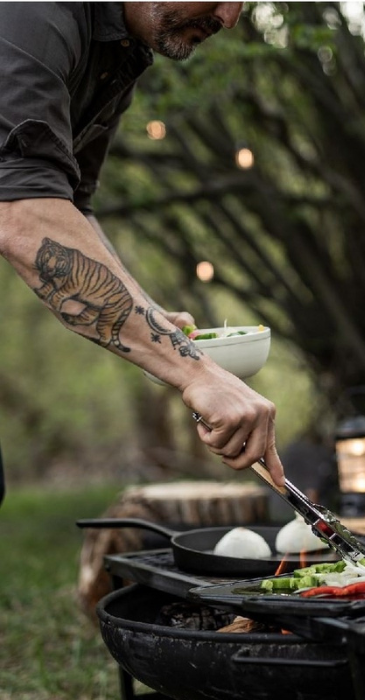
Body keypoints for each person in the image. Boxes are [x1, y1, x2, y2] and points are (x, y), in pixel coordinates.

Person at [0, 3, 285, 487]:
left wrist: (152, 320)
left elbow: (70, 207)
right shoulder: (36, 11)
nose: (230, 15)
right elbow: (23, 213)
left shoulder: (120, 50)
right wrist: (196, 373)